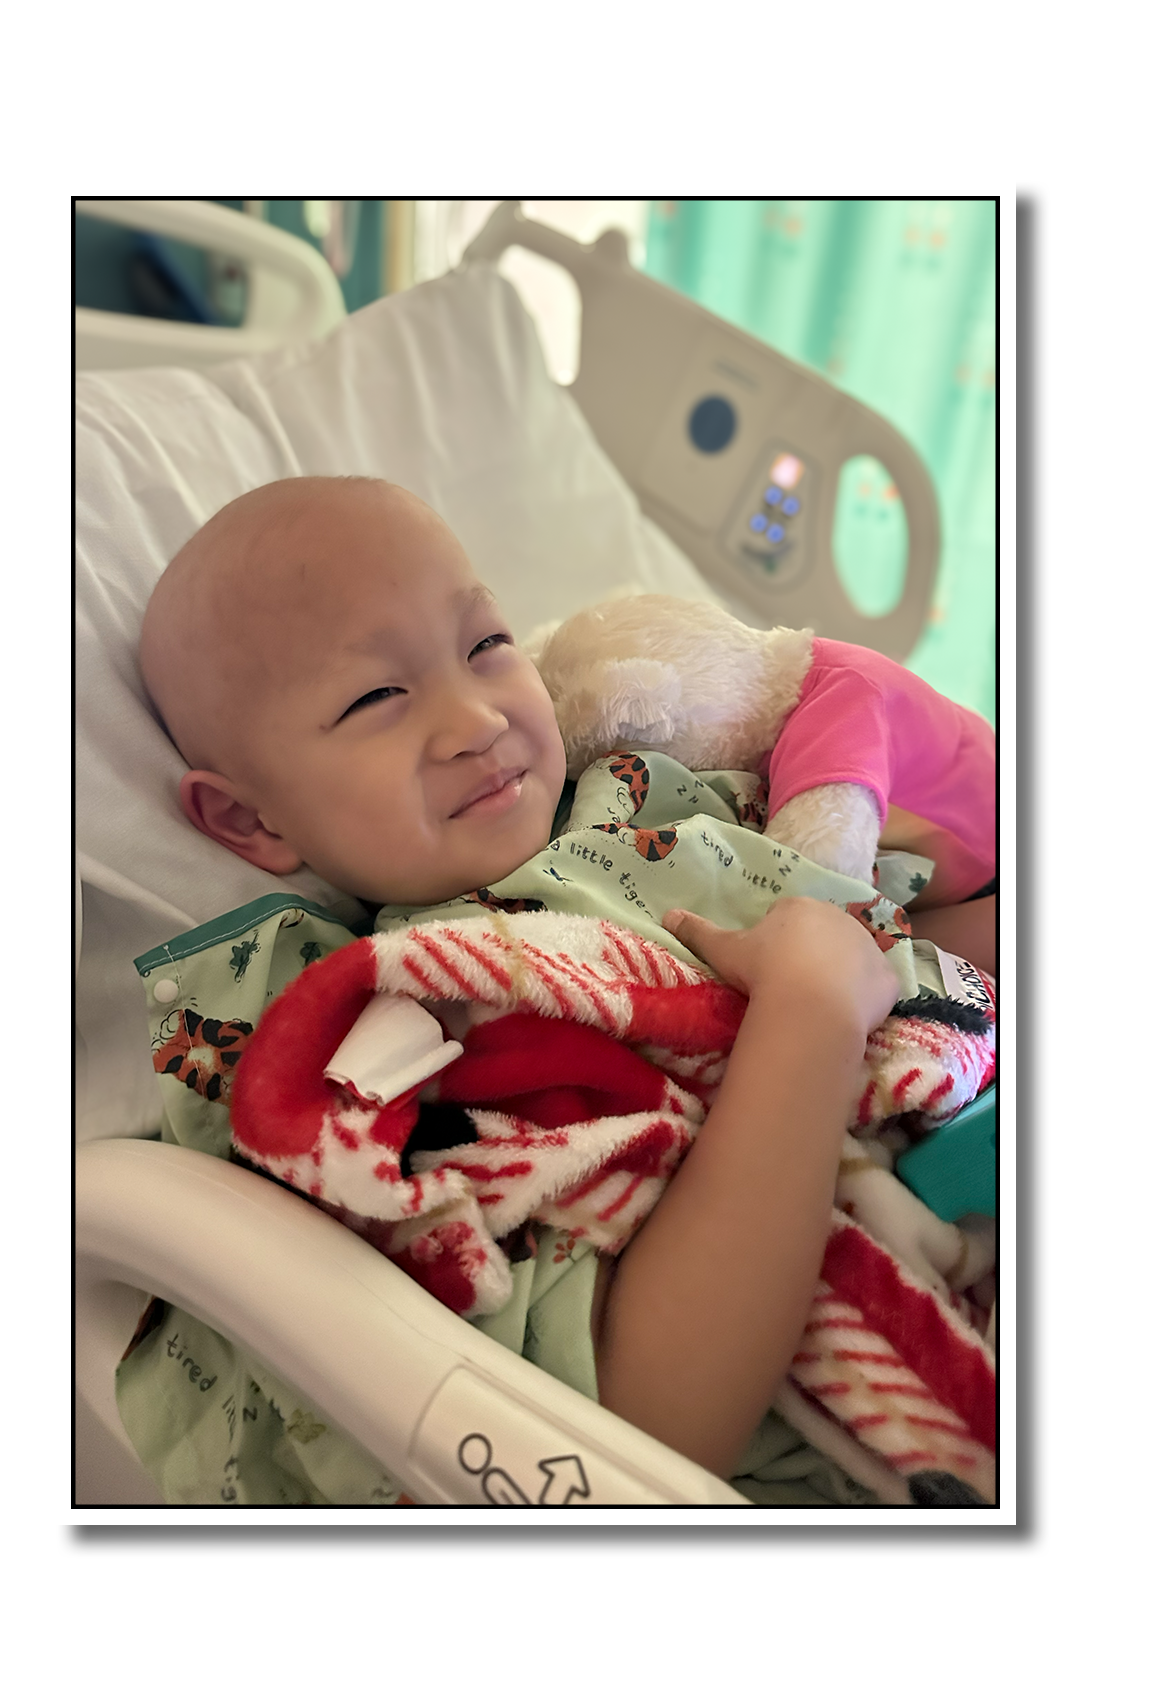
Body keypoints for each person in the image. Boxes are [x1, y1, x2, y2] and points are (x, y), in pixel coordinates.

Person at [139, 474, 980, 1481]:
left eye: (486, 644)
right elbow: (651, 1428)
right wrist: (809, 1016)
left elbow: (894, 937)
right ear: (250, 821)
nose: (477, 717)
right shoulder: (411, 1022)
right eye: (376, 696)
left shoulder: (642, 801)